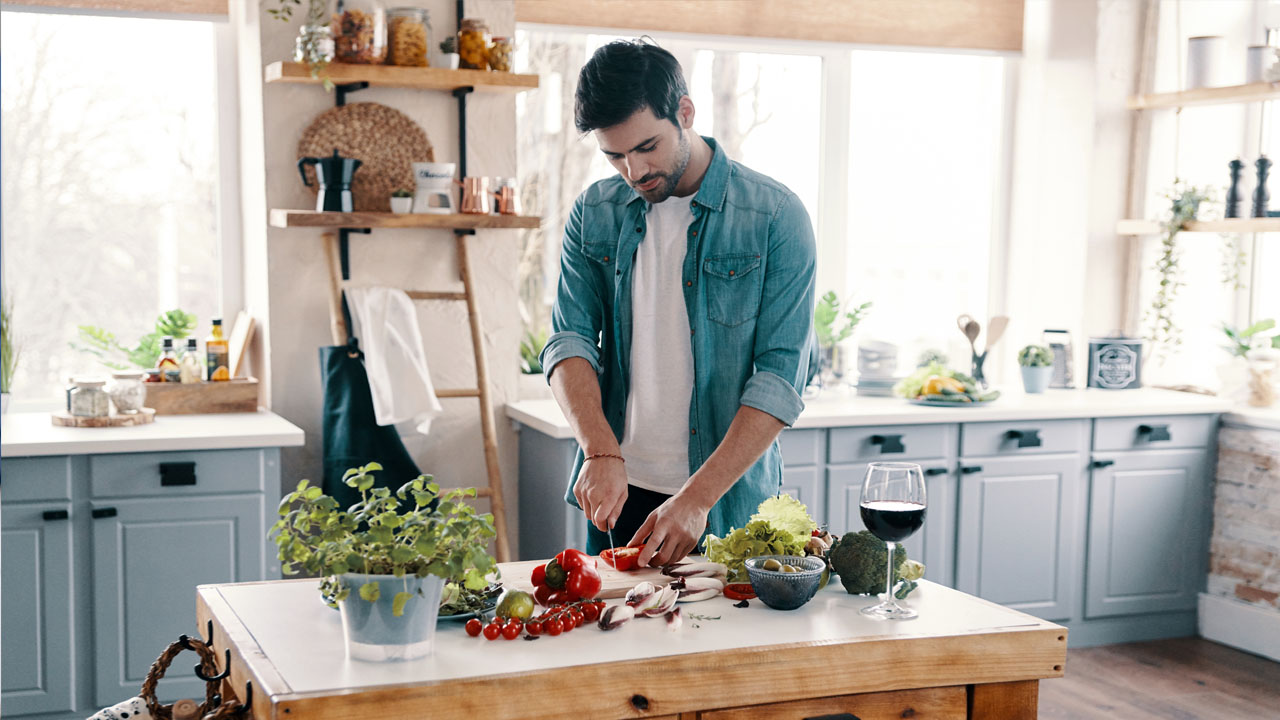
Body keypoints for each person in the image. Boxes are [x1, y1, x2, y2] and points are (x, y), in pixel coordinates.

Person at [539, 39, 816, 568]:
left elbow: (781, 378)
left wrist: (695, 499)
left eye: (647, 146)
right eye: (614, 155)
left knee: (727, 649)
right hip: (617, 491)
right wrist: (599, 450)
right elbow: (569, 340)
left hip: (724, 500)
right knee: (619, 644)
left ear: (685, 112)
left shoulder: (775, 216)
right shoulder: (594, 212)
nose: (634, 171)